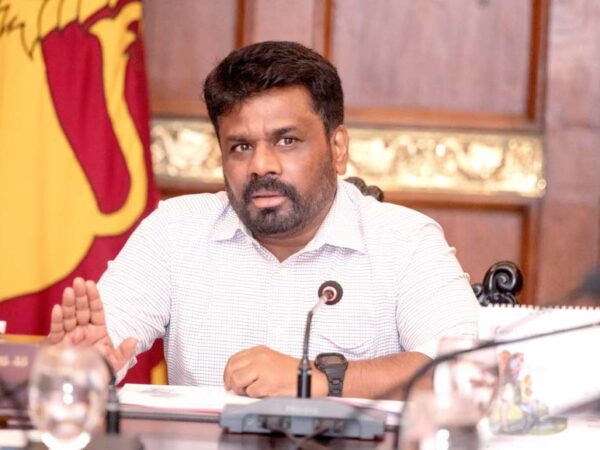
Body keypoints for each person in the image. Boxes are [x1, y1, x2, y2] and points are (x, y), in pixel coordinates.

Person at [48, 41, 479, 400]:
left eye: (286, 141)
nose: (261, 165)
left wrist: (315, 380)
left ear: (338, 148)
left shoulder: (406, 241)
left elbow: (469, 369)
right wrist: (87, 362)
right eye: (241, 147)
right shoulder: (175, 231)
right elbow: (103, 341)